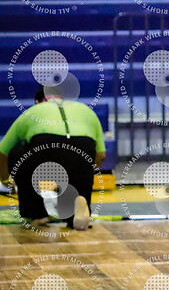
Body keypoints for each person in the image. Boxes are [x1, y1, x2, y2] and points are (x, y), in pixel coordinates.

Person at [0, 87, 106, 230]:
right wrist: (85, 174)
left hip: (46, 148)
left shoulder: (33, 112)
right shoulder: (86, 110)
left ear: (37, 102)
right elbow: (101, 155)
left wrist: (6, 180)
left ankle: (36, 213)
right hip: (83, 148)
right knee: (79, 168)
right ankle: (78, 205)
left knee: (17, 153)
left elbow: (2, 153)